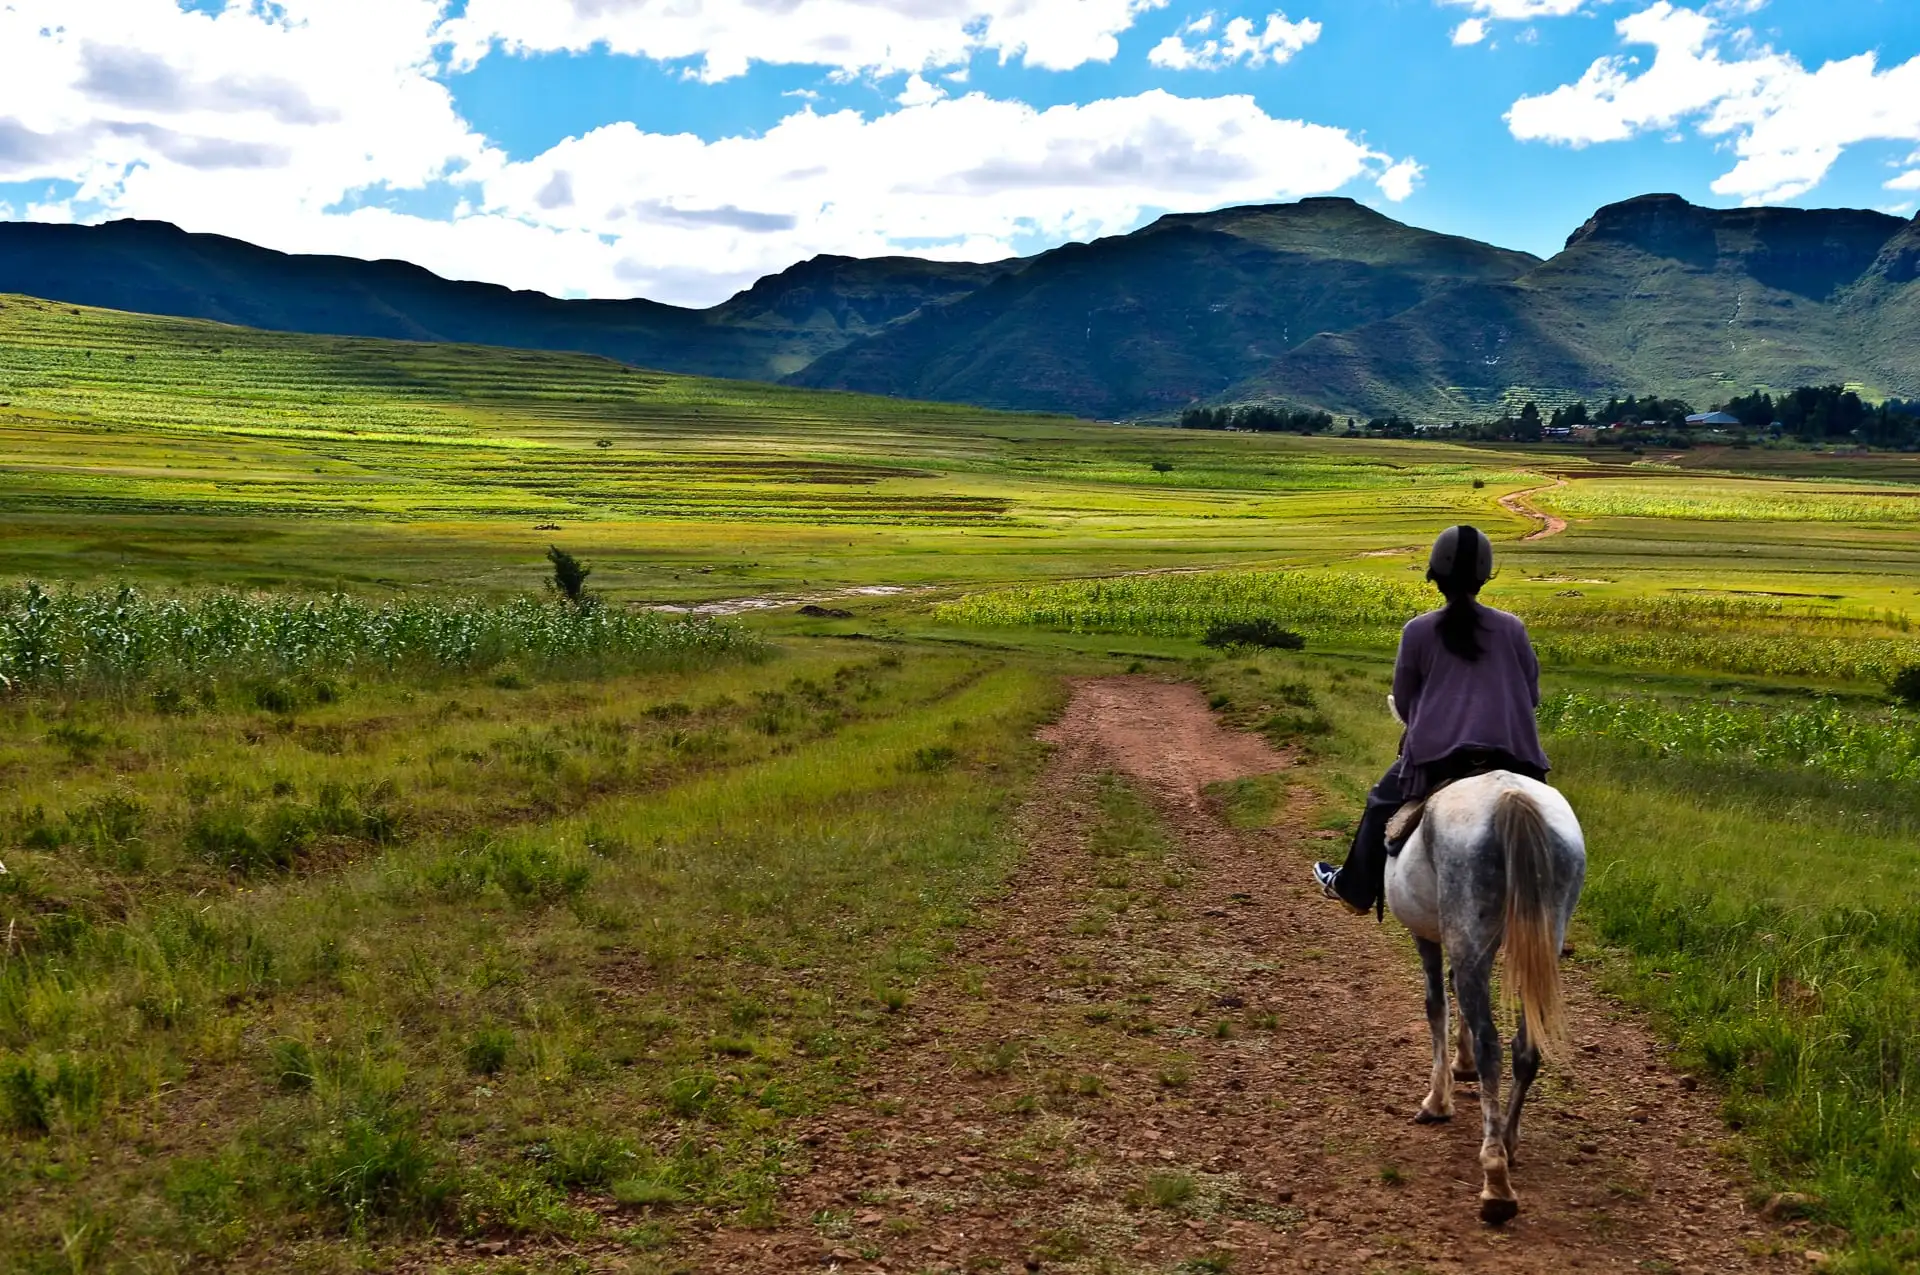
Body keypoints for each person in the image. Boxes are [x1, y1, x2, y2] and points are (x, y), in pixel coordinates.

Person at [1313, 524, 1550, 916]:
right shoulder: (1512, 627)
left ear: (1436, 576)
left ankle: (1354, 889)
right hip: (1515, 758)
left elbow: (1405, 702)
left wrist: (1428, 724)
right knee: (1545, 821)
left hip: (1443, 759)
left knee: (1379, 804)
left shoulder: (1418, 631)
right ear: (1483, 576)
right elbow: (1532, 695)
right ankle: (1550, 914)